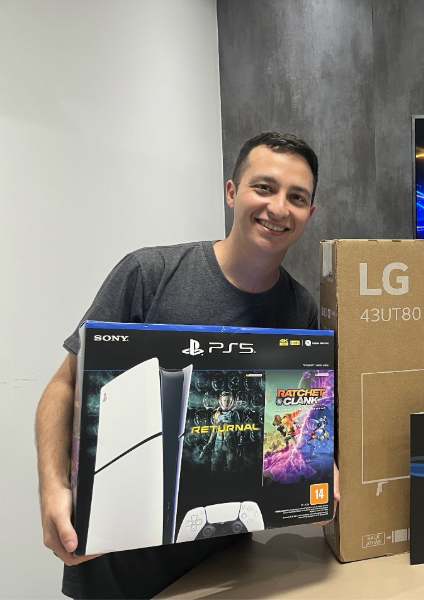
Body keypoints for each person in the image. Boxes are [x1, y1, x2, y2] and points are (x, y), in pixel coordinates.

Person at [35, 131, 339, 599]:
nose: (279, 208)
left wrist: (323, 468)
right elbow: (63, 388)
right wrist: (53, 489)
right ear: (232, 192)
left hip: (227, 568)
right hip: (116, 573)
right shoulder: (149, 275)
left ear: (310, 213)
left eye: (296, 197)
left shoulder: (301, 310)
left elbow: (302, 416)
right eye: (264, 188)